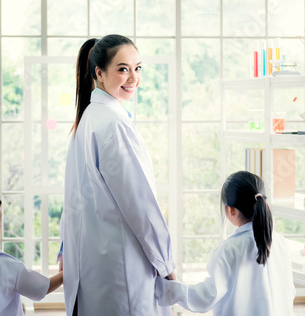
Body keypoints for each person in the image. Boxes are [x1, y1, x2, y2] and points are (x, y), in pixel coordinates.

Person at [59, 34, 176, 316]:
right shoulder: (112, 124)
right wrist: (167, 265)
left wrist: (65, 249)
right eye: (123, 69)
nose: (133, 78)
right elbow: (140, 206)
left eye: (138, 68)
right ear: (99, 73)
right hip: (120, 270)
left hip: (94, 266)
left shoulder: (87, 120)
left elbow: (72, 202)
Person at [156, 171, 295, 315]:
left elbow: (207, 297)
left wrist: (168, 289)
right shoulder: (280, 242)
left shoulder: (229, 249)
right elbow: (288, 291)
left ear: (231, 210)